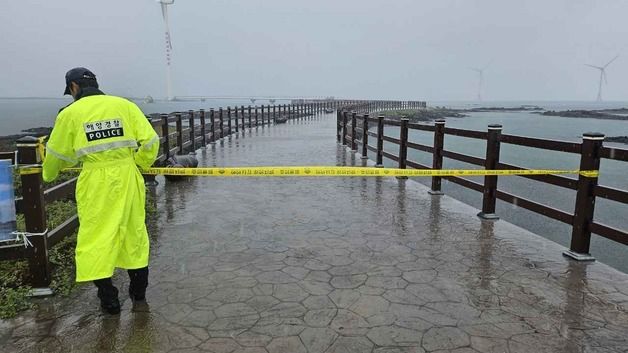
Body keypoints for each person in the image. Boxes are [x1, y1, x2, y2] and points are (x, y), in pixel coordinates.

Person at [42, 67, 159, 314]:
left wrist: (47, 175)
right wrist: (139, 162)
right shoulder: (124, 106)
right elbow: (150, 141)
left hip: (95, 181)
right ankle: (138, 294)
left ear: (73, 87)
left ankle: (109, 299)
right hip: (128, 176)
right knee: (134, 233)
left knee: (96, 237)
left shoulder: (70, 114)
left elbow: (56, 154)